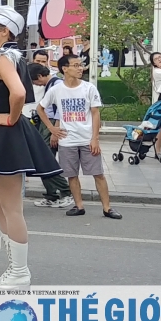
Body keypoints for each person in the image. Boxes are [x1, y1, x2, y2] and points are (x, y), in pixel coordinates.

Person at [0, 6, 62, 290]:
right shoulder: (4, 56)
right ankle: (14, 268)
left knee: (11, 208)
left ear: (5, 32)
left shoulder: (4, 58)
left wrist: (11, 118)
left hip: (3, 134)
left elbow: (18, 93)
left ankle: (20, 272)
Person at [39, 55, 122, 220]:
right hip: (67, 140)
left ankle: (107, 208)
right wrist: (52, 128)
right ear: (64, 68)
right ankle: (79, 206)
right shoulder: (56, 90)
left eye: (80, 65)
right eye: (75, 65)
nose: (80, 68)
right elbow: (40, 108)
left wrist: (95, 138)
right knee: (71, 174)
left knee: (98, 173)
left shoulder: (88, 88)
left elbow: (95, 113)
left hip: (87, 138)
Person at [27, 63, 75, 208]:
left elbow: (61, 108)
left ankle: (66, 192)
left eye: (35, 81)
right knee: (43, 161)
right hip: (48, 123)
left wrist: (55, 129)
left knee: (45, 160)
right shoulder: (52, 84)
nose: (36, 84)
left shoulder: (57, 85)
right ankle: (52, 194)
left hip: (53, 124)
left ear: (40, 76)